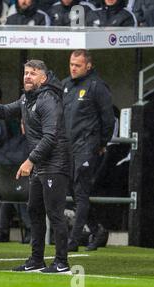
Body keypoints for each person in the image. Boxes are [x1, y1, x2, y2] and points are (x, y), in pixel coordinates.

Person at [0, 59, 71, 274]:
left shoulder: (48, 99)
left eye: (32, 73)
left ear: (43, 77)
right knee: (34, 211)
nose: (27, 77)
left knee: (55, 214)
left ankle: (62, 263)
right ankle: (36, 260)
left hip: (55, 164)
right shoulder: (27, 99)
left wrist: (30, 160)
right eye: (25, 73)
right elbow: (5, 111)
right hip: (41, 165)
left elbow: (51, 137)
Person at [62, 50, 115, 252]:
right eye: (71, 64)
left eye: (77, 65)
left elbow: (108, 119)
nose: (73, 68)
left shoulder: (97, 86)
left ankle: (73, 241)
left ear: (88, 66)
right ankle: (98, 230)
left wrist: (102, 142)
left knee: (81, 193)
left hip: (86, 146)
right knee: (74, 193)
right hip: (68, 146)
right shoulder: (66, 85)